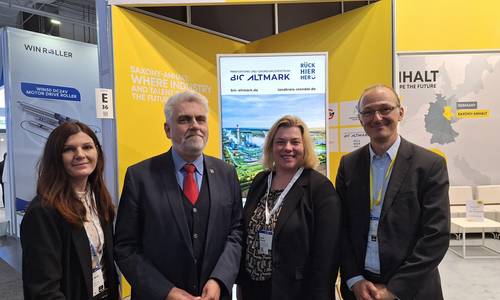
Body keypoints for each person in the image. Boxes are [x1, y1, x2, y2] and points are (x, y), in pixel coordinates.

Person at [114, 90, 243, 300]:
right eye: (184, 119)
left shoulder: (226, 173)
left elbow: (236, 233)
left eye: (201, 119)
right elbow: (125, 246)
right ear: (167, 129)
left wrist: (219, 280)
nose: (195, 125)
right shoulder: (139, 177)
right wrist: (166, 292)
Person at [336, 84, 450, 300]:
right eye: (368, 112)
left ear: (401, 113)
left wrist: (394, 290)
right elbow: (341, 228)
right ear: (360, 119)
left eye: (385, 109)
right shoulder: (348, 164)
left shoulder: (429, 165)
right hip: (362, 290)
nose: (377, 118)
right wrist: (354, 279)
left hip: (413, 289)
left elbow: (436, 235)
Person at [237, 115, 341, 300]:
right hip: (254, 289)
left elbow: (327, 256)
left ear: (305, 147)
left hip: (296, 292)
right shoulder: (260, 181)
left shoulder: (319, 188)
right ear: (271, 146)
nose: (287, 148)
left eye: (295, 142)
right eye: (280, 142)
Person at [20, 121, 118, 300]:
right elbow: (43, 290)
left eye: (87, 147)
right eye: (69, 149)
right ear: (56, 157)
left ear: (97, 152)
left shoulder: (99, 199)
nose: (80, 154)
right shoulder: (43, 212)